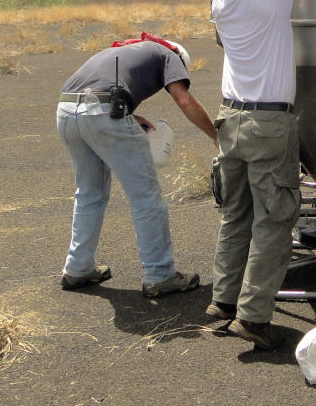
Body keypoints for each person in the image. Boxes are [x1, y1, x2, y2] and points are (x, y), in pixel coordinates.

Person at [205, 0, 313, 350]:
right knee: (274, 219)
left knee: (236, 215)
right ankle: (253, 316)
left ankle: (222, 301)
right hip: (269, 123)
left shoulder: (220, 0)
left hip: (230, 119)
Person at [57, 33, 215, 298]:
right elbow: (184, 99)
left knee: (89, 193)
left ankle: (78, 267)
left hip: (66, 110)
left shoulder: (126, 51)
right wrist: (216, 136)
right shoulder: (169, 55)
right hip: (103, 111)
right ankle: (160, 274)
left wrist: (130, 114)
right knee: (146, 196)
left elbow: (96, 88)